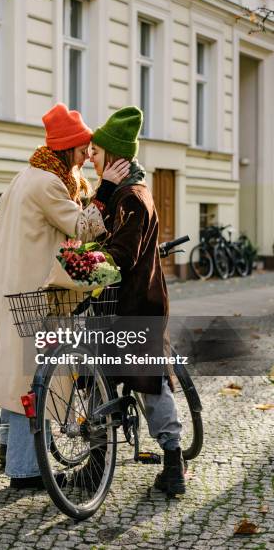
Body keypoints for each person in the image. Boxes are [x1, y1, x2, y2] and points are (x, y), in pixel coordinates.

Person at [0, 103, 130, 489]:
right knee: (31, 379)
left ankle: (11, 453)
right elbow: (83, 225)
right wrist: (106, 188)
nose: (85, 155)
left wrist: (9, 263)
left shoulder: (25, 175)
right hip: (35, 293)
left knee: (16, 375)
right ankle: (26, 471)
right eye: (81, 149)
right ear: (65, 148)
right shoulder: (48, 183)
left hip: (11, 287)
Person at [89, 106, 185, 497]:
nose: (90, 158)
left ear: (113, 156)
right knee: (99, 377)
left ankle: (174, 465)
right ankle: (97, 462)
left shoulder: (131, 197)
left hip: (133, 307)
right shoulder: (128, 192)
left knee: (149, 384)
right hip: (121, 306)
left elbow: (122, 256)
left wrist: (84, 268)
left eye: (95, 152)